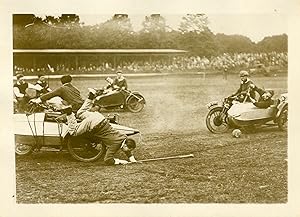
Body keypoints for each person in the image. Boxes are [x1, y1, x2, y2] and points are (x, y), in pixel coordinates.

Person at [61, 89, 138, 165]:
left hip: (100, 117)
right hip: (95, 124)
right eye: (129, 149)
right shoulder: (115, 145)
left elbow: (127, 149)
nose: (127, 151)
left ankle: (90, 97)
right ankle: (69, 112)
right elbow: (107, 160)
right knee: (73, 131)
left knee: (80, 113)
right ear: (125, 145)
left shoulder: (124, 137)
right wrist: (120, 161)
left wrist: (132, 159)